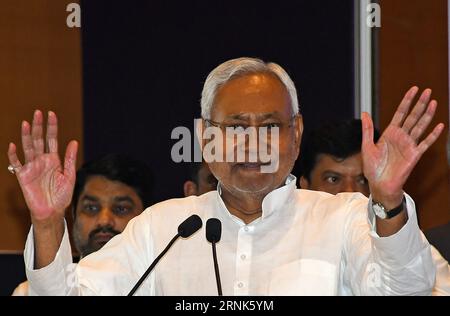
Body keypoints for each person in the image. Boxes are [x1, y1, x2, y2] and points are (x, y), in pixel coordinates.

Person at [7, 57, 445, 295]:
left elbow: (405, 290)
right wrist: (47, 223)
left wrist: (388, 200)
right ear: (204, 136)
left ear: (296, 134)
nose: (252, 144)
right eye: (235, 128)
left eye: (270, 127)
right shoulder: (164, 229)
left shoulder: (346, 218)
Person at [298, 119, 450, 296]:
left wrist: (389, 204)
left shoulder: (410, 254)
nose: (350, 192)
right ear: (305, 186)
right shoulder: (282, 244)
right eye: (333, 179)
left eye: (362, 180)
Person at [11, 154, 153, 295]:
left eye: (121, 209)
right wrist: (46, 224)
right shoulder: (28, 293)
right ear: (74, 215)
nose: (104, 220)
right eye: (91, 208)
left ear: (145, 219)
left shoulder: (164, 286)